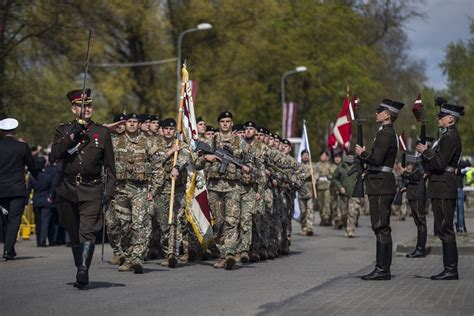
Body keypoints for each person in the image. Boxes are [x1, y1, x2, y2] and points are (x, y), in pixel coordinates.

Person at [51, 88, 116, 288]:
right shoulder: (63, 130)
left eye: (89, 105)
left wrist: (110, 192)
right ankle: (80, 263)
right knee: (74, 232)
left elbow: (110, 166)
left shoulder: (102, 132)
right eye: (82, 106)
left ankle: (83, 270)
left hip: (92, 188)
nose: (86, 109)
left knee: (87, 231)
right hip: (68, 187)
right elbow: (54, 155)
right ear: (73, 109)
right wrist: (72, 136)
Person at [195, 111, 253, 270]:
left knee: (232, 220)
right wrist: (206, 158)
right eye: (222, 121)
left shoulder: (239, 142)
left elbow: (250, 159)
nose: (225, 124)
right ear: (219, 123)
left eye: (228, 121)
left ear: (232, 123)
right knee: (219, 222)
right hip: (214, 187)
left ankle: (229, 253)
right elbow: (194, 162)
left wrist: (247, 168)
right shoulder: (210, 140)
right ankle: (222, 254)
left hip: (233, 187)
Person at [355, 98, 404, 281]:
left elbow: (376, 160)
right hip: (380, 182)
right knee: (380, 226)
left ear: (386, 115)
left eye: (379, 111)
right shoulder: (385, 133)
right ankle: (382, 268)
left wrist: (363, 154)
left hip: (381, 184)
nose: (376, 113)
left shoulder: (385, 134)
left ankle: (382, 269)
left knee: (381, 226)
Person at [108, 113, 162, 273]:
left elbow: (157, 166)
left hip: (140, 189)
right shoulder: (115, 142)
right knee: (123, 226)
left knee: (140, 224)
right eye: (129, 122)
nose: (132, 124)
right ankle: (128, 255)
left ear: (139, 124)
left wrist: (154, 189)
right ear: (124, 124)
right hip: (120, 190)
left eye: (135, 122)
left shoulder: (147, 142)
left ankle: (137, 258)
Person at [416, 102, 464, 280]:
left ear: (450, 119)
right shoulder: (446, 136)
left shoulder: (450, 137)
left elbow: (439, 163)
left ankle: (451, 269)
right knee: (443, 228)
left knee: (446, 228)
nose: (438, 118)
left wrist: (426, 151)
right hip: (440, 184)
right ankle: (449, 268)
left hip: (444, 186)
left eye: (441, 116)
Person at [0, 118, 39, 259]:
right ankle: (8, 249)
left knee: (4, 218)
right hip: (17, 188)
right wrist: (37, 175)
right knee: (14, 219)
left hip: (1, 189)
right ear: (14, 131)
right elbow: (32, 166)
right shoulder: (22, 147)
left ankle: (8, 247)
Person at [401, 162, 427, 257]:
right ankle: (419, 248)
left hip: (417, 194)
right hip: (414, 193)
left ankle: (420, 249)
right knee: (418, 222)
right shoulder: (418, 159)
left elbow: (415, 176)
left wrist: (403, 172)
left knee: (420, 221)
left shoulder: (420, 161)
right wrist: (407, 187)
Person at [298, 149, 317, 236]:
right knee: (303, 211)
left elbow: (316, 176)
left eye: (307, 155)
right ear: (301, 156)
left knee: (310, 210)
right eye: (304, 155)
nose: (305, 156)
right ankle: (304, 226)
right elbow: (299, 177)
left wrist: (314, 177)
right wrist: (309, 174)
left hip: (310, 192)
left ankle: (310, 228)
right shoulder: (298, 166)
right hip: (301, 192)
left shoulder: (312, 166)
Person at [315, 149, 334, 226]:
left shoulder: (329, 165)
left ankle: (327, 218)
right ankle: (322, 218)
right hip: (319, 187)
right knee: (320, 204)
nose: (323, 157)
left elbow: (333, 175)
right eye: (321, 155)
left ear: (327, 157)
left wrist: (328, 175)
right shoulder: (317, 165)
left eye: (324, 156)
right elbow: (315, 174)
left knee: (327, 203)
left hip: (327, 187)